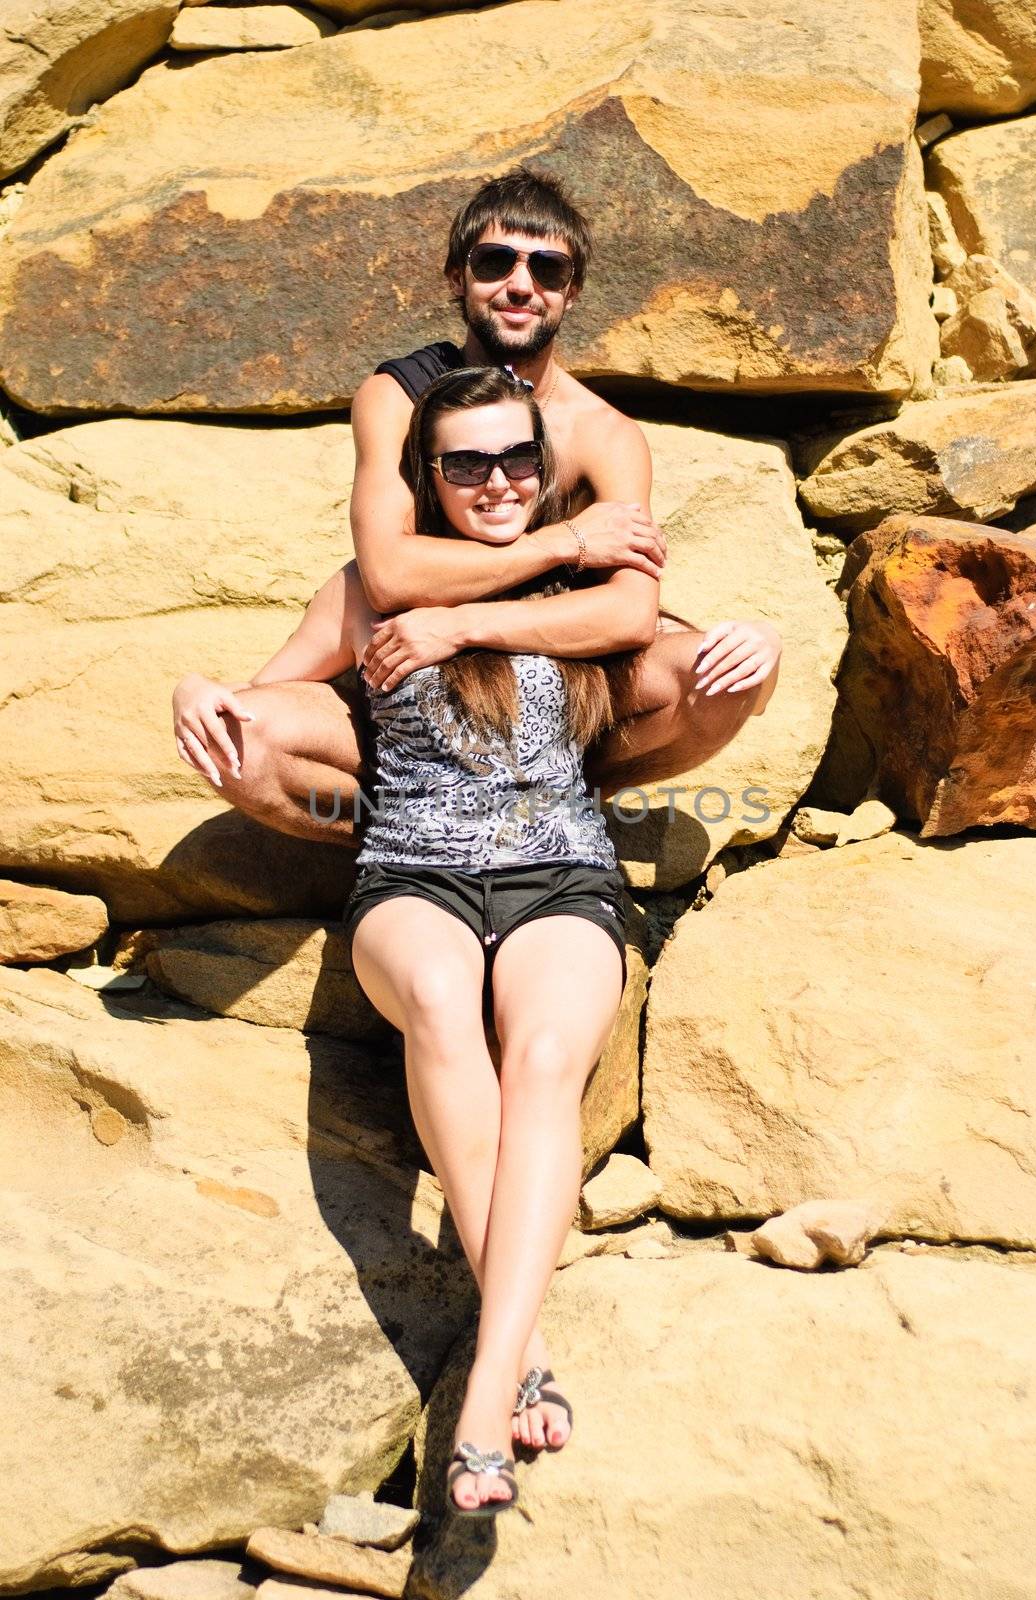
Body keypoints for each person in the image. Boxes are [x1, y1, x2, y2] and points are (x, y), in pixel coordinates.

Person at [199, 364, 635, 1516]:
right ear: (425, 476)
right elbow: (264, 694)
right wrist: (206, 695)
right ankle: (523, 1346)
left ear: (546, 468)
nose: (497, 481)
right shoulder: (366, 590)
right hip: (413, 873)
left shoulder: (581, 574)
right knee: (443, 1005)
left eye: (519, 460)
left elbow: (651, 626)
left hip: (562, 874)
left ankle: (487, 1386)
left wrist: (738, 640)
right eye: (467, 463)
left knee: (544, 1063)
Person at [172, 167, 781, 830]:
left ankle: (557, 807)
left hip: (568, 704)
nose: (521, 284)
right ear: (456, 277)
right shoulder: (398, 396)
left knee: (727, 677)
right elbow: (388, 573)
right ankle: (419, 832)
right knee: (238, 744)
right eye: (495, 262)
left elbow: (629, 616)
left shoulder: (604, 435)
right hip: (411, 723)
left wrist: (459, 623)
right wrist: (566, 542)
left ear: (571, 292)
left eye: (547, 270)